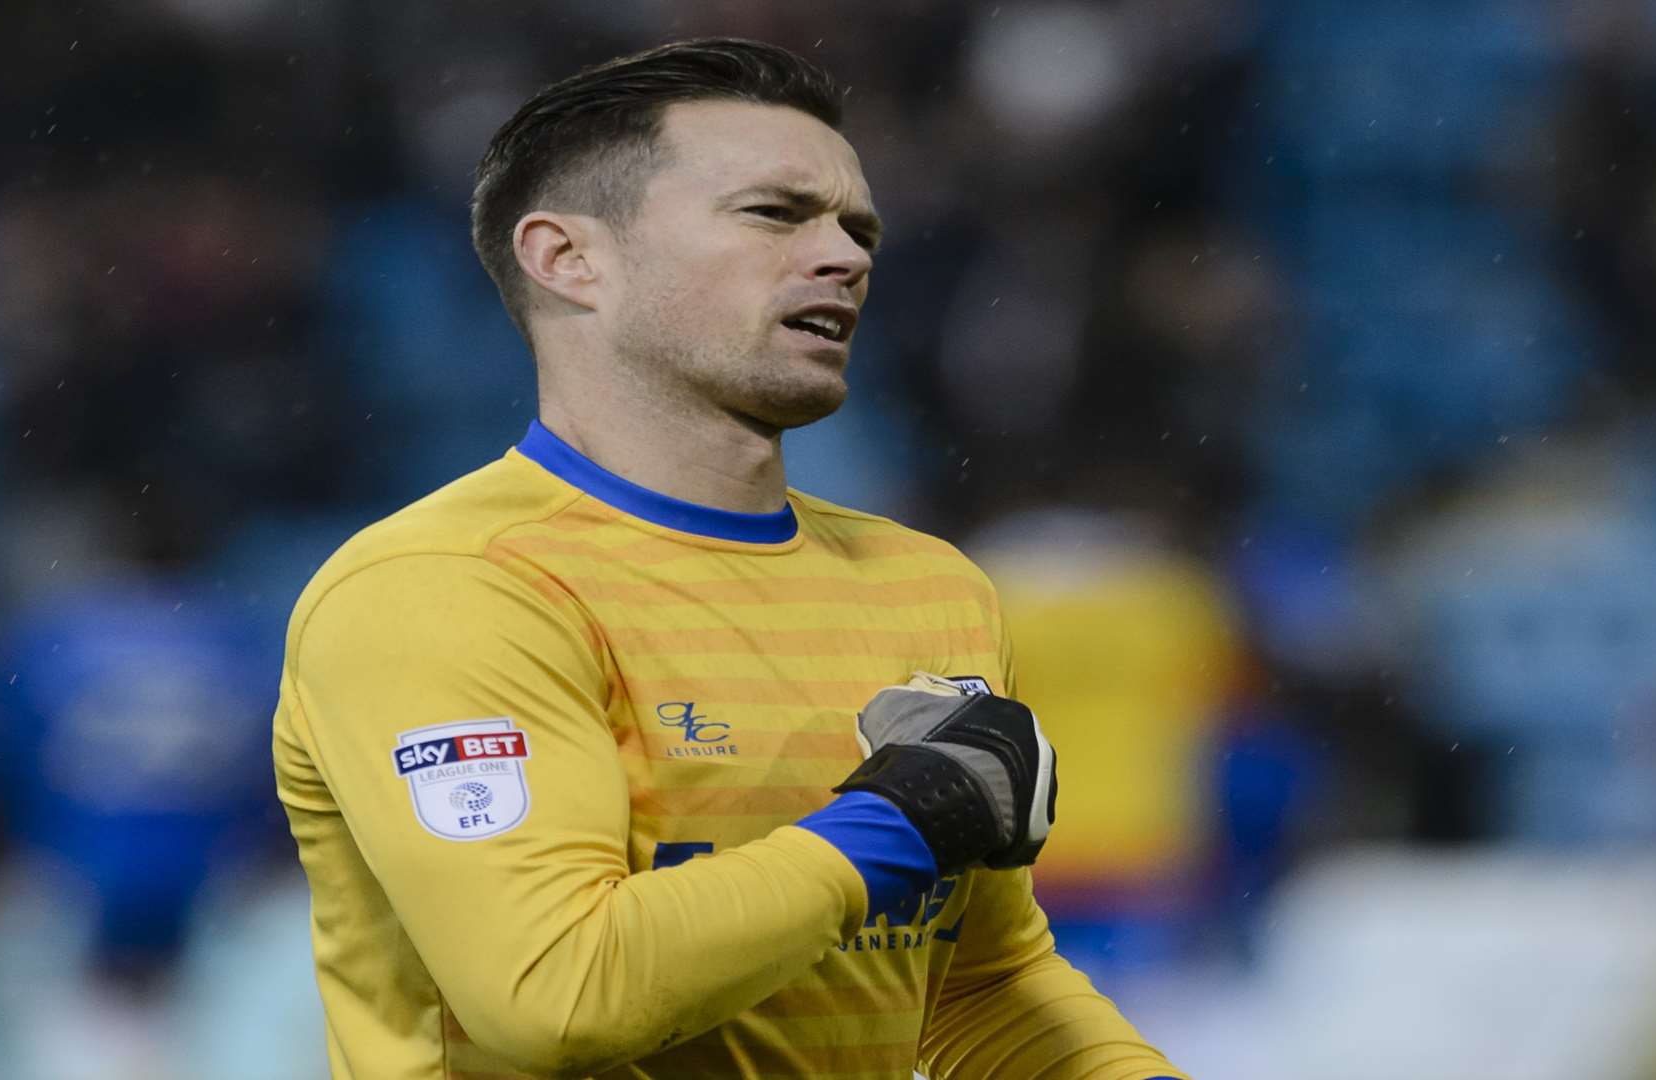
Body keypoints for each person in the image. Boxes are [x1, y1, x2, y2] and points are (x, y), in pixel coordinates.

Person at [273, 37, 1186, 1080]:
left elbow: (978, 993)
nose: (846, 256)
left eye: (858, 227)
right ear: (569, 258)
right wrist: (891, 828)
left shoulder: (931, 590)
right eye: (775, 213)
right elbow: (556, 995)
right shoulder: (445, 589)